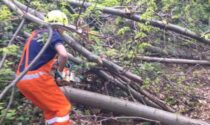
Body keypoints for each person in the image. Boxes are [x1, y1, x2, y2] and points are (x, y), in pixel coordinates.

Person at [16, 10, 72, 125]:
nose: (63, 31)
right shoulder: (53, 34)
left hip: (21, 79)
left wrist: (61, 69)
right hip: (36, 79)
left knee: (51, 111)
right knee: (63, 107)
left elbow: (41, 57)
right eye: (63, 28)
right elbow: (64, 54)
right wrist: (60, 73)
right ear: (60, 26)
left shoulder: (35, 34)